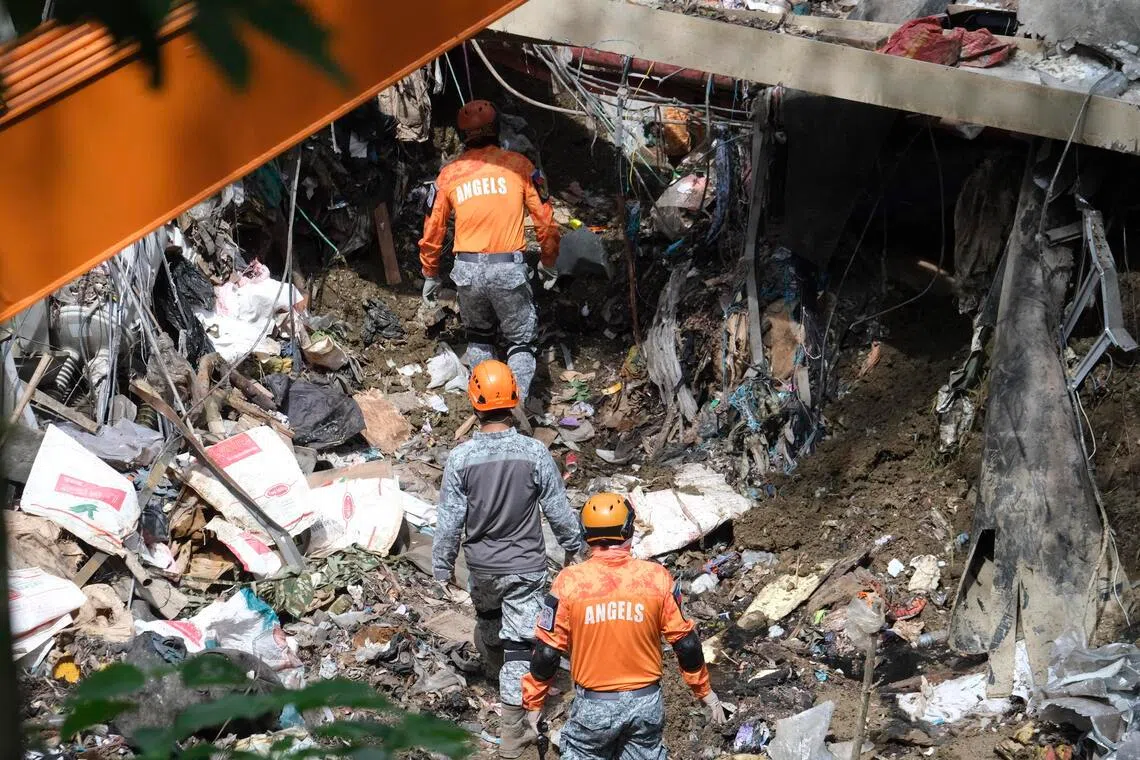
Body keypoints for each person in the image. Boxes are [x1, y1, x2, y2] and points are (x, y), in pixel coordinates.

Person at [432, 359, 585, 758]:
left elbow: (449, 521)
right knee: (520, 645)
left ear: (474, 403)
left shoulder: (461, 459)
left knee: (488, 620)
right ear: (514, 399)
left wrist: (442, 566)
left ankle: (493, 673)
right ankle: (514, 736)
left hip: (482, 568)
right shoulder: (534, 453)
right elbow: (558, 510)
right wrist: (574, 547)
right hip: (525, 568)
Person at [521, 492, 728, 759]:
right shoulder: (656, 577)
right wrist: (704, 692)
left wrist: (534, 703)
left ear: (585, 533)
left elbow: (547, 652)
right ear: (628, 529)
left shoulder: (569, 582)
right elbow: (686, 644)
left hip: (595, 706)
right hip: (646, 704)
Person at [418, 99, 560, 403]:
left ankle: (486, 406)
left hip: (466, 272)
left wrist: (430, 272)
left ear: (462, 136)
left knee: (479, 338)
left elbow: (433, 229)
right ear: (496, 129)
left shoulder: (449, 175)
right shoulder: (519, 166)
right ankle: (515, 406)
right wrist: (548, 261)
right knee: (521, 341)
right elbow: (546, 222)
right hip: (507, 269)